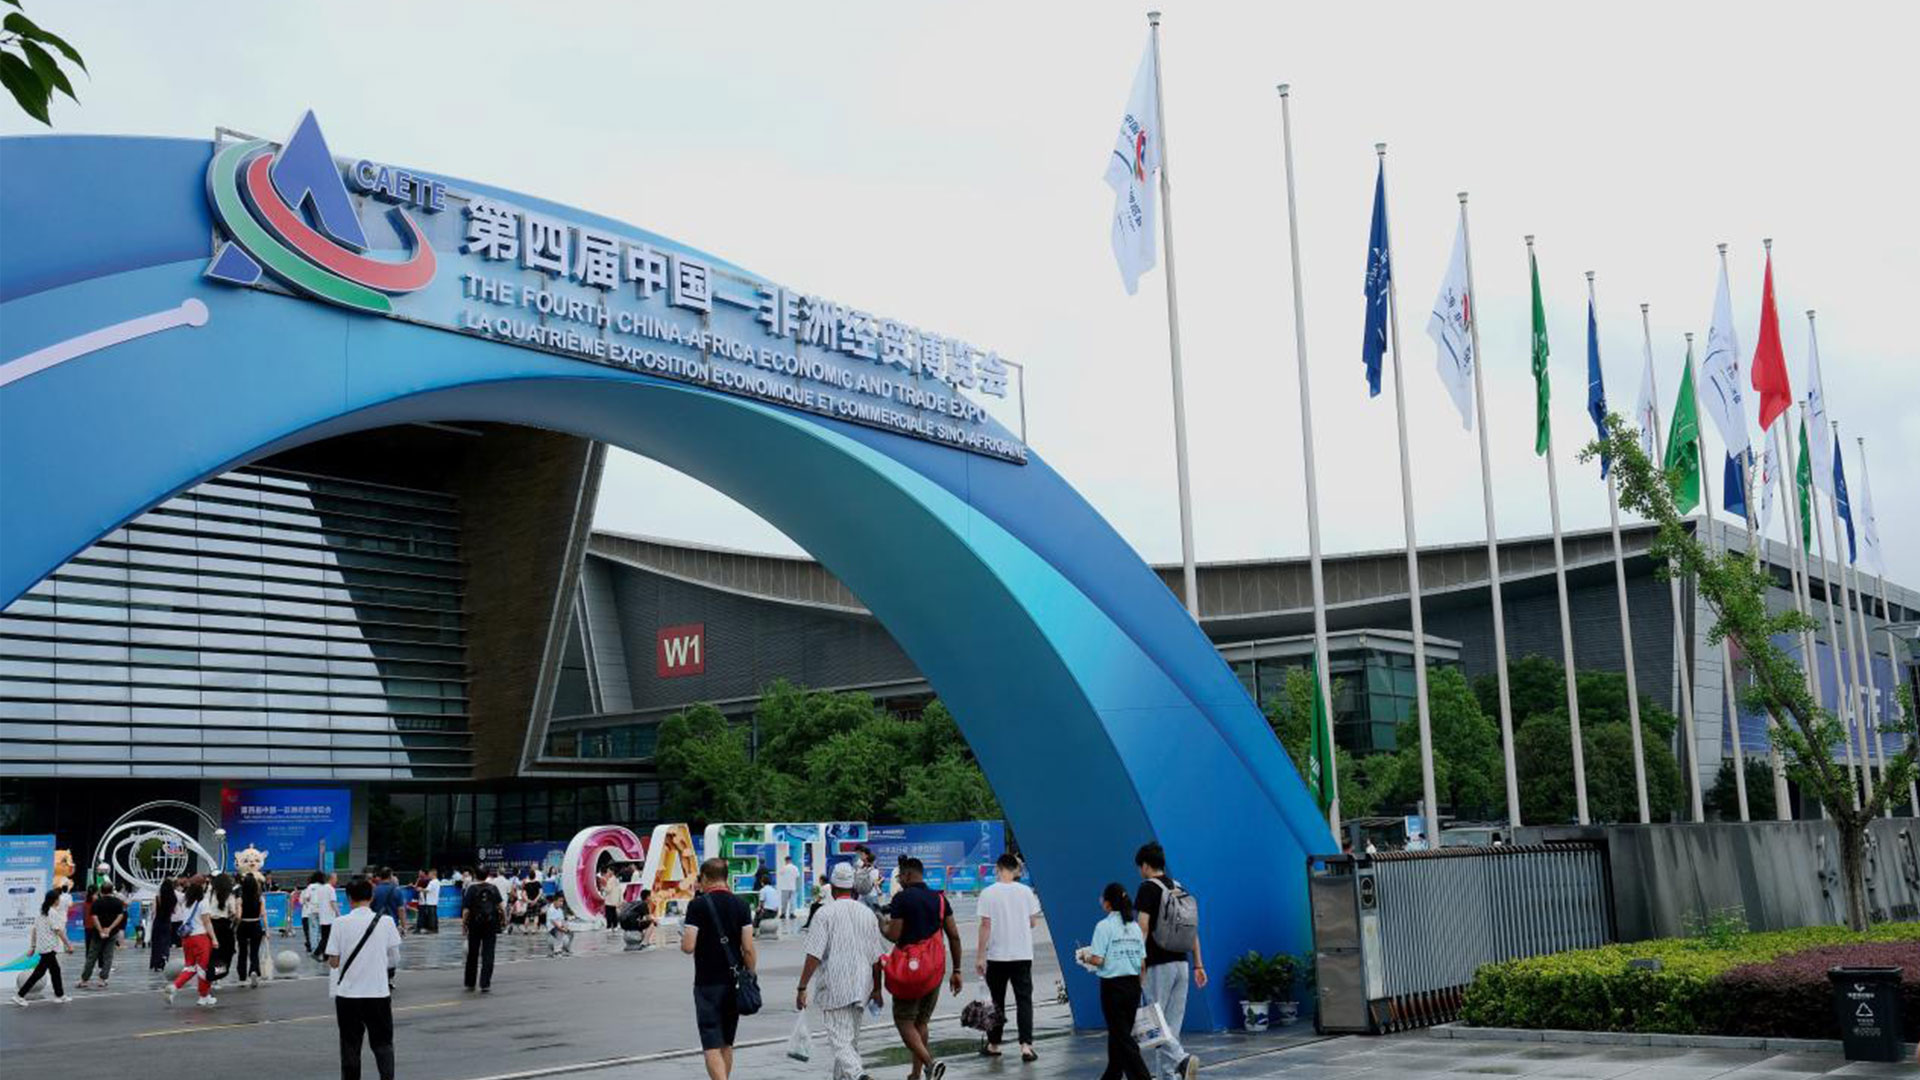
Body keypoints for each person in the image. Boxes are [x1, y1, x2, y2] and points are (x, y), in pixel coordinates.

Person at [798, 861, 889, 1080]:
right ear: (852, 887)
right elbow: (877, 958)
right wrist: (877, 989)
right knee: (850, 1043)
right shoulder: (868, 914)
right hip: (862, 985)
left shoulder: (824, 914)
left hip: (834, 986)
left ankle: (860, 1076)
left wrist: (802, 986)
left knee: (840, 1042)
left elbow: (814, 955)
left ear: (832, 885)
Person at [883, 857, 964, 1080]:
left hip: (909, 971)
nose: (899, 881)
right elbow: (954, 936)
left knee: (903, 1020)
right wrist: (956, 970)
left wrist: (882, 923)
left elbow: (894, 935)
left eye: (900, 877)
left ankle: (929, 1063)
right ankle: (916, 1074)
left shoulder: (901, 899)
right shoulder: (939, 900)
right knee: (921, 1022)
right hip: (934, 970)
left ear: (908, 875)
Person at [682, 857, 755, 1080]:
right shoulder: (742, 906)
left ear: (704, 878)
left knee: (711, 1045)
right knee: (727, 1043)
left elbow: (688, 946)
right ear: (726, 878)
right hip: (733, 983)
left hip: (707, 984)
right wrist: (749, 977)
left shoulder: (697, 906)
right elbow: (749, 949)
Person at [1135, 843, 1203, 1080]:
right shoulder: (1179, 887)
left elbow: (1142, 928)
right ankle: (1168, 1076)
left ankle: (1182, 1060)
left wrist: (1138, 962)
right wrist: (1199, 964)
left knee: (1157, 1026)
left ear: (1145, 865)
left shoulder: (1147, 889)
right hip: (1182, 964)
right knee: (1171, 1026)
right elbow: (1192, 929)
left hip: (1158, 964)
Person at [327, 875, 403, 1080]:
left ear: (349, 898)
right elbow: (395, 958)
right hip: (378, 993)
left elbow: (333, 961)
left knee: (350, 1046)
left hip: (348, 995)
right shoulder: (386, 922)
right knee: (383, 1044)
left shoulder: (340, 923)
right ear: (371, 897)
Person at [1080, 883, 1150, 1080]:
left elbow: (1099, 959)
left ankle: (1142, 1076)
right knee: (1119, 1033)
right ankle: (1112, 1074)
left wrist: (1085, 957)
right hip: (1133, 986)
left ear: (1108, 903)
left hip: (1113, 987)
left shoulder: (1103, 926)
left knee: (1122, 1037)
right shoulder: (1134, 927)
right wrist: (1140, 985)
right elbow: (1142, 963)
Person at [975, 852, 1042, 1061]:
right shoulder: (1026, 892)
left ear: (997, 868)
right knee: (1024, 1000)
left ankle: (994, 1044)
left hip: (997, 955)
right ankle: (1026, 1046)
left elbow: (985, 926)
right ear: (1015, 870)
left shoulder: (988, 893)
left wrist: (980, 956)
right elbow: (1033, 922)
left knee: (996, 1002)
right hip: (1022, 954)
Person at [11, 889, 74, 1005]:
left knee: (55, 970)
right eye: (58, 899)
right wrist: (68, 945)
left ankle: (60, 995)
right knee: (39, 973)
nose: (59, 900)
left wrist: (33, 946)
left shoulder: (42, 912)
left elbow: (34, 930)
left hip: (44, 947)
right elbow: (59, 931)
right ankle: (20, 996)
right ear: (55, 900)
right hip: (49, 948)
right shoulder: (52, 913)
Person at [165, 879, 217, 1007]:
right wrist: (214, 938)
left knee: (190, 966)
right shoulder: (203, 902)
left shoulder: (187, 903)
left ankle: (175, 986)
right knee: (203, 968)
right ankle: (203, 996)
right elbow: (207, 922)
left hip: (187, 938)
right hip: (201, 938)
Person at [461, 868, 503, 992]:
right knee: (488, 953)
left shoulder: (471, 889)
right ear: (487, 875)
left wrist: (464, 924)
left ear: (475, 876)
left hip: (475, 924)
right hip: (490, 924)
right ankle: (485, 983)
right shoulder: (493, 888)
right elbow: (500, 906)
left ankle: (470, 982)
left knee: (472, 953)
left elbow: (466, 910)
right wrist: (504, 919)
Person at [81, 880, 127, 990]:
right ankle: (103, 979)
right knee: (108, 956)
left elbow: (94, 917)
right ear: (112, 890)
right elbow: (120, 916)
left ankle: (84, 980)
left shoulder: (97, 902)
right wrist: (110, 929)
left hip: (97, 933)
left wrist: (101, 930)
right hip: (112, 933)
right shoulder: (117, 902)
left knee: (92, 956)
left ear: (101, 891)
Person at [237, 871, 266, 988]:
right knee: (254, 951)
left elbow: (238, 915)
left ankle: (242, 977)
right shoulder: (259, 898)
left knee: (242, 951)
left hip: (243, 924)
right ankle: (254, 970)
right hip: (255, 924)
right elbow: (263, 914)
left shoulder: (240, 898)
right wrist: (267, 929)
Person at [148, 875, 178, 972]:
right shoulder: (173, 898)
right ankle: (164, 959)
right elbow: (174, 911)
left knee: (156, 943)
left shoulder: (158, 898)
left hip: (158, 921)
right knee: (165, 942)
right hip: (167, 921)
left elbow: (154, 911)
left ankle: (155, 962)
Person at [309, 872, 341, 960]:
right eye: (336, 878)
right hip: (330, 917)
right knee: (327, 938)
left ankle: (325, 956)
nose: (336, 880)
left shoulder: (321, 889)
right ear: (332, 879)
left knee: (325, 937)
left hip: (323, 916)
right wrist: (338, 914)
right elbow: (333, 902)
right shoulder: (331, 889)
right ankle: (317, 952)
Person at [776, 856, 800, 921]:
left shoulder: (784, 868)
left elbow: (780, 874)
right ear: (791, 860)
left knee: (784, 902)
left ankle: (783, 914)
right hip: (793, 887)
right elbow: (798, 877)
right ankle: (792, 914)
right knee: (793, 901)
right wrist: (797, 886)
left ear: (786, 860)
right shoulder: (795, 868)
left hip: (785, 887)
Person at [600, 867, 623, 931]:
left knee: (609, 914)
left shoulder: (610, 880)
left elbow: (608, 890)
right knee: (613, 914)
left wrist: (603, 888)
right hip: (615, 899)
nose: (607, 873)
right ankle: (615, 926)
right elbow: (619, 890)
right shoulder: (616, 880)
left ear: (612, 872)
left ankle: (609, 926)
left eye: (608, 871)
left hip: (609, 900)